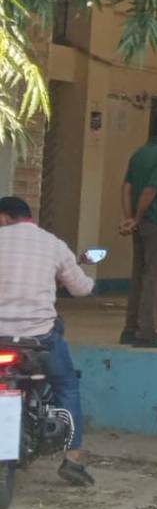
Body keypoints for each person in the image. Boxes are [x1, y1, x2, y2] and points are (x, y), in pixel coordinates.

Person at [0, 196, 98, 487]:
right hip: (38, 338)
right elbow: (80, 289)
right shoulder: (53, 244)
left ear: (4, 217)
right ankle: (73, 458)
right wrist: (90, 283)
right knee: (66, 384)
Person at [118, 112, 157, 348]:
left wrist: (130, 218)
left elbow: (127, 187)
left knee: (139, 276)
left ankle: (130, 329)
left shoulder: (140, 153)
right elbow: (151, 189)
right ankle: (147, 332)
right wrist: (138, 216)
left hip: (141, 224)